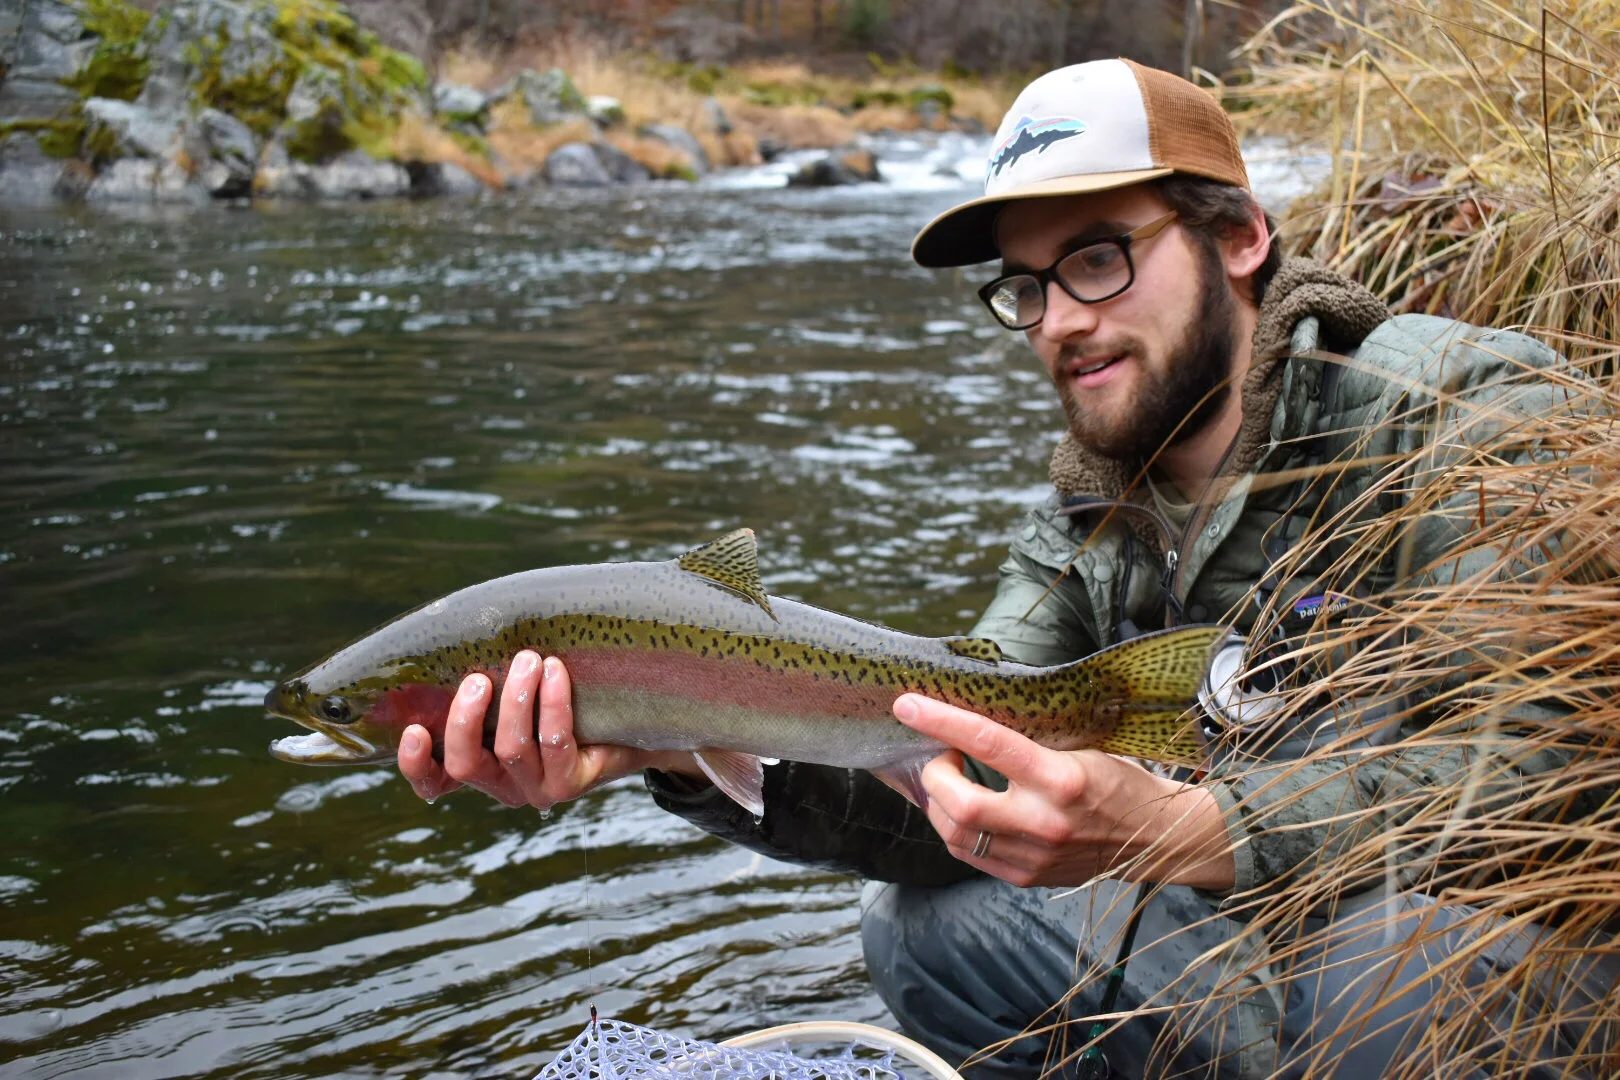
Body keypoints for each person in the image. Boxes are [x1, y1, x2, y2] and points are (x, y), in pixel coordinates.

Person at [397, 59, 1616, 1078]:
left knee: (1377, 991)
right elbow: (947, 770)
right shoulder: (1085, 514)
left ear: (1240, 237)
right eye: (1026, 288)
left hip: (1472, 928)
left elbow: (1552, 773)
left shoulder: (1464, 406)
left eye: (1098, 259)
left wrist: (1194, 826)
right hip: (1258, 935)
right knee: (928, 928)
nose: (1060, 322)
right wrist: (684, 745)